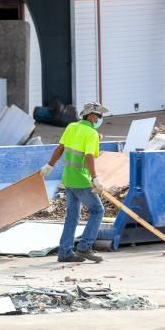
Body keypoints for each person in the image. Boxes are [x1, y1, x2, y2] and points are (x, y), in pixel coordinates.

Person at [39, 102, 109, 263]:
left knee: (72, 216)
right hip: (81, 179)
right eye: (99, 116)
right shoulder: (90, 133)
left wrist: (50, 165)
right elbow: (89, 156)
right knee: (98, 211)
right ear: (91, 116)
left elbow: (60, 148)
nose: (100, 120)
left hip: (68, 178)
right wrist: (95, 178)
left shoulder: (71, 127)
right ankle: (85, 247)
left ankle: (65, 252)